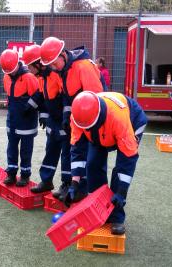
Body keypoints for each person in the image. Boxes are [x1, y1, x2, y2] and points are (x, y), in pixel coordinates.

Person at [69, 91, 147, 235]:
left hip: (132, 121)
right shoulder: (78, 117)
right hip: (99, 133)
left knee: (119, 171)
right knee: (93, 165)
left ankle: (117, 217)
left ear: (98, 118)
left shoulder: (119, 120)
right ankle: (98, 209)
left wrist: (121, 192)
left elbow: (127, 160)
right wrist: (74, 183)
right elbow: (77, 150)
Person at [40, 36, 105, 203]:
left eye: (54, 63)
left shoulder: (83, 67)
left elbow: (97, 98)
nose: (53, 68)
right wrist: (67, 116)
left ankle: (89, 193)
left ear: (63, 54)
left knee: (92, 158)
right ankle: (75, 188)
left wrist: (84, 124)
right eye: (50, 65)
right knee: (76, 150)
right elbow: (68, 99)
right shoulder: (63, 71)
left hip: (95, 118)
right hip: (79, 117)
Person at [21, 45, 72, 199]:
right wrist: (32, 105)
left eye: (30, 66)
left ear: (39, 64)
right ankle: (47, 181)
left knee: (67, 154)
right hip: (53, 121)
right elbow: (42, 95)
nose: (29, 69)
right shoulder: (42, 78)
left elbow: (65, 98)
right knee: (50, 151)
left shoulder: (57, 75)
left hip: (64, 122)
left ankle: (67, 184)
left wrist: (66, 119)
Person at [0, 49, 39, 187]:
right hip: (13, 119)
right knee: (11, 148)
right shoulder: (6, 77)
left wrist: (29, 106)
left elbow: (38, 96)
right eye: (7, 71)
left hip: (27, 121)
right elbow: (11, 95)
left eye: (11, 70)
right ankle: (11, 173)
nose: (10, 73)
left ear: (18, 63)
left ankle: (25, 175)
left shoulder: (29, 77)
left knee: (25, 150)